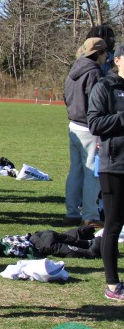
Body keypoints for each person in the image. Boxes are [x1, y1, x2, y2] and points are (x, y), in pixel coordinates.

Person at [87, 42, 124, 301]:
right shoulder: (105, 87)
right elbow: (95, 123)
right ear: (117, 60)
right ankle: (112, 285)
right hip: (115, 166)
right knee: (113, 225)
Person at [63, 37, 106, 226]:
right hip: (89, 127)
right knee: (92, 172)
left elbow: (65, 96)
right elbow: (97, 101)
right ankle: (90, 215)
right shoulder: (94, 72)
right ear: (99, 53)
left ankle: (72, 212)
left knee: (76, 170)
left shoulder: (74, 69)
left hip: (74, 124)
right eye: (105, 53)